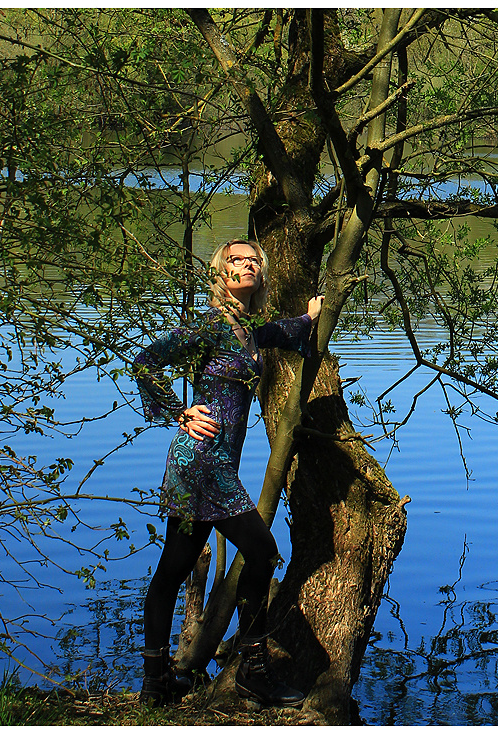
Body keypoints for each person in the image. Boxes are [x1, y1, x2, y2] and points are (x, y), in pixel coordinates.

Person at [133, 238, 323, 708]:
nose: (246, 266)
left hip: (211, 468)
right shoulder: (207, 325)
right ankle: (253, 674)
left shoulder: (248, 329)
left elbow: (281, 331)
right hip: (200, 464)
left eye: (253, 260)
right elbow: (145, 363)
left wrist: (313, 317)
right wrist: (180, 411)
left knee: (170, 575)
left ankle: (157, 687)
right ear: (220, 272)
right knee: (263, 552)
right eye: (235, 260)